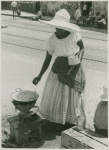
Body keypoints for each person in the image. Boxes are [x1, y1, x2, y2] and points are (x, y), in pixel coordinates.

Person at [32, 9, 86, 131]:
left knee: (73, 96)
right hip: (58, 70)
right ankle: (59, 121)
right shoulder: (52, 39)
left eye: (60, 27)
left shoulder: (74, 35)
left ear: (66, 27)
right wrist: (39, 76)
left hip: (73, 69)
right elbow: (47, 59)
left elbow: (82, 48)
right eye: (56, 27)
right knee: (59, 96)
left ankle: (70, 120)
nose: (58, 30)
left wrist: (79, 61)